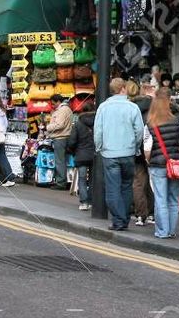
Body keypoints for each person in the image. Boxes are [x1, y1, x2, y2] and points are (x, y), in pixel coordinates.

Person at [94, 78, 145, 232]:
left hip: (109, 153)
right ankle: (123, 219)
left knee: (112, 189)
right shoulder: (133, 107)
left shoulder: (103, 107)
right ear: (123, 88)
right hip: (128, 152)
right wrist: (135, 147)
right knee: (126, 187)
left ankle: (119, 220)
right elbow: (140, 131)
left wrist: (100, 148)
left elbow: (98, 132)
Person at [142, 88, 179, 239]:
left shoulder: (150, 124)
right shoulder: (178, 122)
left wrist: (149, 160)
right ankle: (172, 231)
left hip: (158, 166)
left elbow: (147, 149)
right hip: (176, 165)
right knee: (173, 199)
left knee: (160, 199)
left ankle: (162, 231)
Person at [126, 79, 154, 226]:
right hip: (153, 150)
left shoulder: (132, 108)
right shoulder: (155, 109)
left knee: (138, 182)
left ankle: (140, 214)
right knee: (152, 182)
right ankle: (151, 213)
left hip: (137, 150)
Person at [66, 107, 97, 210]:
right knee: (93, 180)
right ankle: (92, 201)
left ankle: (84, 202)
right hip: (94, 154)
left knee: (82, 179)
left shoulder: (78, 124)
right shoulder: (97, 122)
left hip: (81, 154)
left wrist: (72, 151)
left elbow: (72, 141)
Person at [47, 99, 74, 191]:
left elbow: (59, 125)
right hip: (66, 137)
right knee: (63, 160)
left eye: (53, 103)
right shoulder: (68, 109)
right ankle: (63, 180)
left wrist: (48, 127)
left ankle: (61, 182)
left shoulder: (62, 110)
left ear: (58, 101)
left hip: (60, 137)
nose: (53, 106)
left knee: (60, 161)